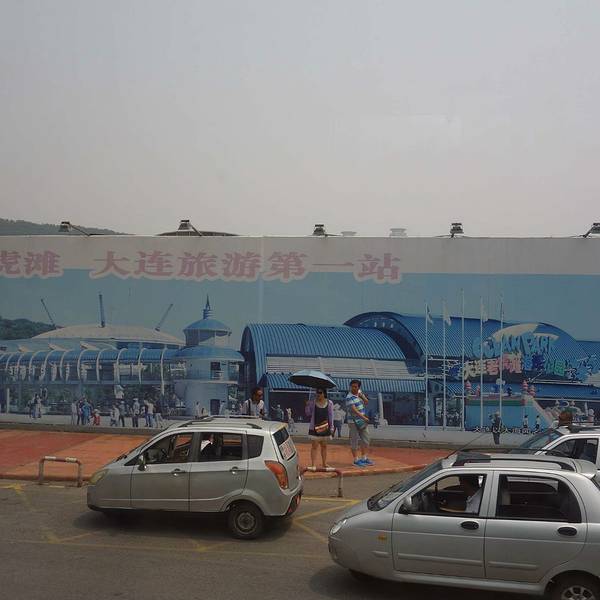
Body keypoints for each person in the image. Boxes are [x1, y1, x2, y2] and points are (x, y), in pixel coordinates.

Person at [346, 379, 373, 467]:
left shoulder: (359, 393)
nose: (353, 388)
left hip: (362, 421)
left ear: (359, 387)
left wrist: (362, 396)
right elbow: (354, 410)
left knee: (366, 439)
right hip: (353, 421)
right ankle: (356, 459)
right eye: (352, 386)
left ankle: (364, 458)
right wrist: (364, 418)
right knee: (354, 440)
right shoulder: (349, 397)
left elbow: (366, 402)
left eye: (355, 387)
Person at [305, 388, 334, 469]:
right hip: (314, 427)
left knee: (324, 446)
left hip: (325, 427)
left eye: (320, 392)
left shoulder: (329, 403)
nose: (318, 394)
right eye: (317, 392)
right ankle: (313, 464)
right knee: (314, 446)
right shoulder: (313, 402)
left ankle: (324, 463)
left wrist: (332, 427)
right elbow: (308, 413)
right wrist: (307, 405)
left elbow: (331, 415)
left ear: (324, 393)